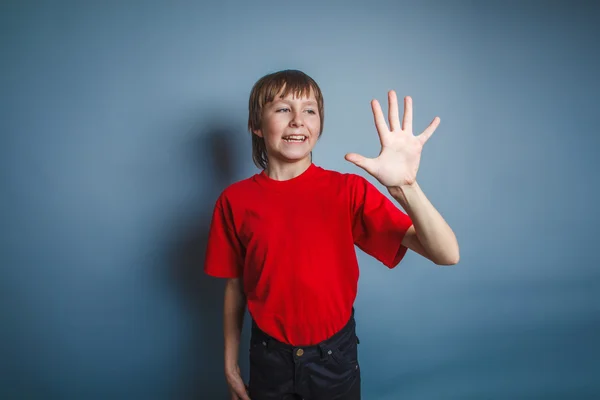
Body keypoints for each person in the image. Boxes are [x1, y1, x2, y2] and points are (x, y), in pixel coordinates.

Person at [204, 69, 460, 400]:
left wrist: (406, 188)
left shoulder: (347, 191)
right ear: (256, 124)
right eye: (283, 109)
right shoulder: (234, 201)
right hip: (269, 358)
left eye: (309, 110)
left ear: (319, 124)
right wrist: (230, 365)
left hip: (333, 359)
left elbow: (447, 254)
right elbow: (235, 284)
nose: (298, 120)